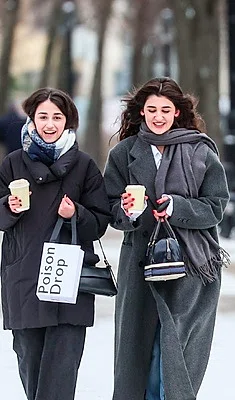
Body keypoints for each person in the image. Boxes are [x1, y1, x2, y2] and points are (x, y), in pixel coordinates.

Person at [104, 77, 230, 400]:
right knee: (139, 355)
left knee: (174, 355)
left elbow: (215, 206)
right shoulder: (124, 154)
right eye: (151, 110)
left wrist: (178, 207)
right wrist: (129, 211)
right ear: (141, 113)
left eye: (165, 109)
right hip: (140, 268)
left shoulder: (200, 150)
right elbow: (110, 209)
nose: (158, 116)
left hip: (192, 268)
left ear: (177, 112)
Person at [0, 88, 110, 399]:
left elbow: (101, 221)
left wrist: (77, 213)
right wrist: (10, 206)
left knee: (61, 377)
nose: (50, 124)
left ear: (68, 121)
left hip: (69, 281)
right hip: (24, 277)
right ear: (31, 120)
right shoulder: (12, 164)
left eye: (57, 117)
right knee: (30, 367)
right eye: (43, 116)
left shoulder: (85, 166)